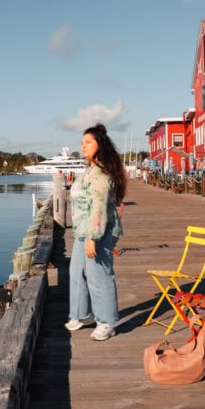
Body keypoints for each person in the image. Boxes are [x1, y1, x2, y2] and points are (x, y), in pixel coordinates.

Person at [65, 124, 127, 341]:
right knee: (76, 272)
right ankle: (82, 315)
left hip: (98, 231)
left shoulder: (101, 175)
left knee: (98, 275)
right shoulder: (88, 170)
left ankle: (107, 321)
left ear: (100, 145)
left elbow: (98, 208)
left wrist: (93, 237)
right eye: (82, 143)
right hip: (83, 230)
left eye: (88, 142)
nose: (83, 146)